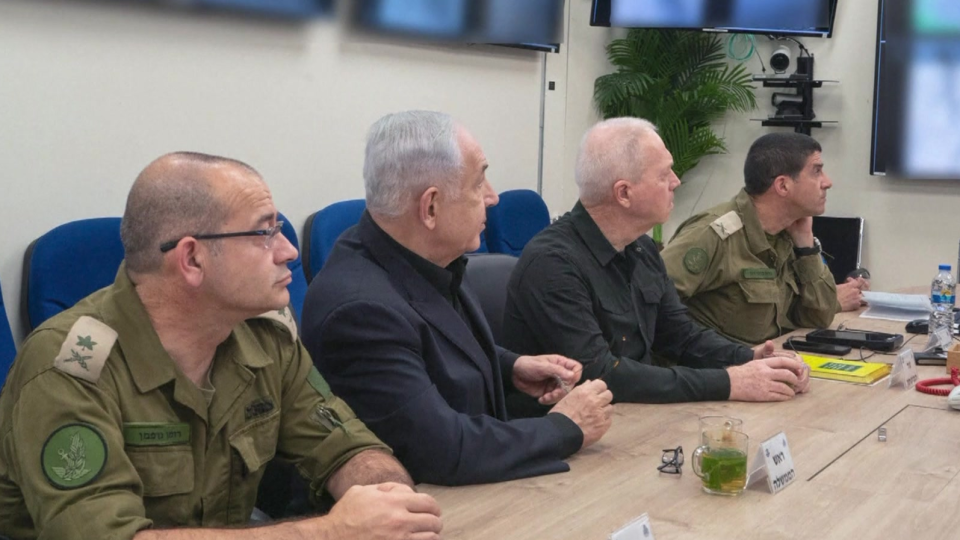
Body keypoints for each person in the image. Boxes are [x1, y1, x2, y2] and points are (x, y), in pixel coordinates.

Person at [0, 153, 442, 540]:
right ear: (192, 259)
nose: (288, 250)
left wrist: (386, 498)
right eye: (264, 233)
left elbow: (347, 446)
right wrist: (332, 532)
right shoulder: (70, 368)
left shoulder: (265, 341)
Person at [301, 110, 614, 486]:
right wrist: (566, 427)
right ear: (430, 207)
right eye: (478, 182)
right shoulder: (358, 311)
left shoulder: (421, 253)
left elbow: (429, 344)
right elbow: (444, 449)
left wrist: (510, 367)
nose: (493, 197)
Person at [503, 118, 810, 405]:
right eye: (664, 174)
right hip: (571, 442)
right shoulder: (553, 264)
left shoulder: (641, 249)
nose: (676, 182)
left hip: (637, 418)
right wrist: (728, 381)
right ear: (624, 193)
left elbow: (679, 335)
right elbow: (599, 373)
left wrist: (747, 358)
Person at [661, 132, 839, 343]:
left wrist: (806, 248)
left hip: (768, 365)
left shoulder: (787, 235)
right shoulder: (713, 235)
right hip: (717, 370)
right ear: (783, 185)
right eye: (816, 171)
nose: (827, 182)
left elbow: (819, 318)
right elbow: (649, 305)